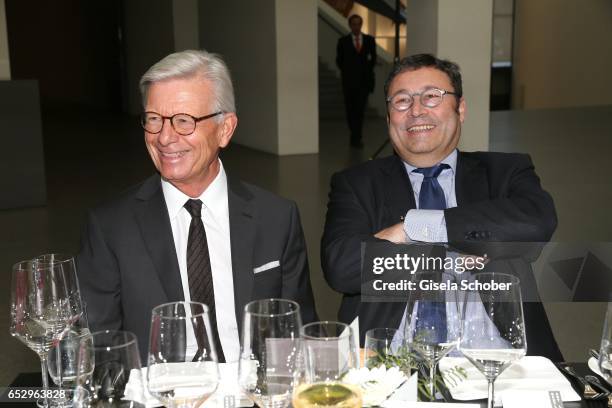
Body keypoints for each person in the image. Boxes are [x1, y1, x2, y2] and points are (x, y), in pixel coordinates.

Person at [77, 50, 317, 362]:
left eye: (183, 121)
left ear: (225, 129)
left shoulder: (276, 218)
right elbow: (101, 351)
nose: (164, 137)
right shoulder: (110, 227)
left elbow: (301, 334)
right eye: (154, 119)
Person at [321, 53, 563, 361]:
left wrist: (412, 229)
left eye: (432, 97)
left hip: (499, 362)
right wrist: (450, 253)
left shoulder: (504, 171)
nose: (417, 111)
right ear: (388, 117)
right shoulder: (356, 184)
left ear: (460, 109)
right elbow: (341, 268)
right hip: (392, 364)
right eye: (402, 101)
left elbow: (536, 223)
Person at [336, 14, 377, 148]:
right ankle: (354, 134)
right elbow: (339, 61)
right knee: (350, 111)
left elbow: (373, 60)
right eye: (353, 24)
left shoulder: (369, 40)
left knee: (360, 110)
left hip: (364, 84)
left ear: (361, 25)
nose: (356, 27)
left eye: (358, 24)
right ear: (350, 25)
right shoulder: (343, 41)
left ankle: (356, 138)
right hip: (349, 83)